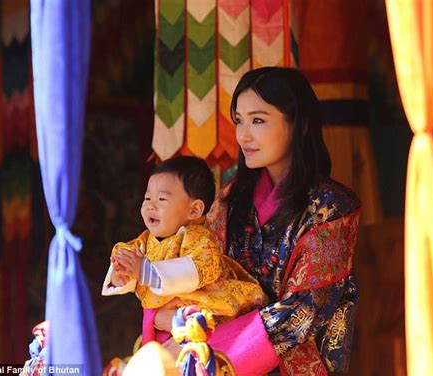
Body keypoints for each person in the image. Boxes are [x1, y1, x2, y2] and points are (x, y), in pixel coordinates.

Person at [151, 67, 361, 375]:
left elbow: (300, 315)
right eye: (239, 120)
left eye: (258, 120)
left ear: (300, 125)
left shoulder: (332, 210)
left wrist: (207, 350)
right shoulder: (230, 200)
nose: (244, 135)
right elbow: (207, 277)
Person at [102, 156, 267, 324]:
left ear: (194, 210)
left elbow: (197, 269)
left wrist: (146, 271)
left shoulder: (199, 238)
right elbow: (126, 266)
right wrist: (120, 274)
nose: (151, 206)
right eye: (147, 198)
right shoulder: (143, 242)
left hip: (207, 308)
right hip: (169, 315)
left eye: (162, 199)